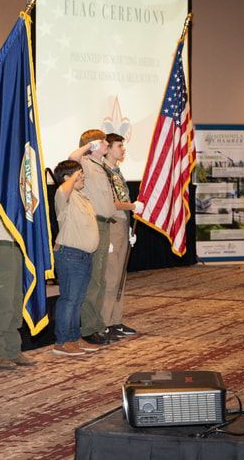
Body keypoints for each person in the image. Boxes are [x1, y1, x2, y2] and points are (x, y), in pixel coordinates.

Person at [68, 130, 119, 345]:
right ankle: (89, 328)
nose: (107, 144)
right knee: (94, 280)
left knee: (100, 278)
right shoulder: (86, 163)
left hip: (105, 225)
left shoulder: (101, 166)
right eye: (103, 141)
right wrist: (90, 147)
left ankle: (98, 324)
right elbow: (71, 158)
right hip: (94, 224)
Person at [51, 160, 101, 356]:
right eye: (79, 175)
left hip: (84, 256)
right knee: (69, 300)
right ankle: (62, 342)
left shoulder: (82, 197)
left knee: (78, 300)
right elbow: (63, 190)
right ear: (67, 178)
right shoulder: (64, 196)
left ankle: (73, 337)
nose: (83, 177)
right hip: (70, 255)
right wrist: (73, 175)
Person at [0, 189, 36, 370]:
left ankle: (14, 351)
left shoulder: (17, 193)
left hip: (17, 248)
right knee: (4, 302)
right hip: (3, 247)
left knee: (16, 302)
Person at [101, 133, 143, 337]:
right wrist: (133, 205)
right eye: (119, 145)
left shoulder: (116, 171)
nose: (122, 149)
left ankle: (116, 320)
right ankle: (105, 322)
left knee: (120, 276)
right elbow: (110, 202)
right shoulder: (103, 172)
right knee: (110, 277)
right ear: (107, 148)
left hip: (122, 223)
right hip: (111, 225)